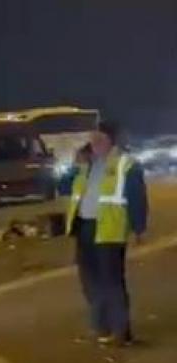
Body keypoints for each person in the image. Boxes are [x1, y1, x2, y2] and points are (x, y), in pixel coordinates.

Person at [63, 121, 149, 346]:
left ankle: (121, 332)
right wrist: (74, 165)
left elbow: (137, 198)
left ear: (111, 140)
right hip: (84, 228)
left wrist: (139, 228)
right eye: (92, 140)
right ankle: (100, 327)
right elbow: (62, 187)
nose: (94, 144)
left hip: (110, 230)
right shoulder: (86, 165)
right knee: (90, 282)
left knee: (111, 282)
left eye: (99, 139)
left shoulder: (126, 165)